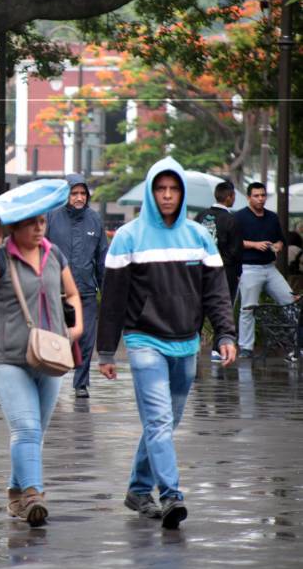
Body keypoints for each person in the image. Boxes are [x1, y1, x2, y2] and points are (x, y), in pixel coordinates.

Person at [97, 157, 237, 530]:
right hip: (144, 340)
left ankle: (139, 489)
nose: (167, 195)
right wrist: (106, 350)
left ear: (182, 193)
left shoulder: (199, 237)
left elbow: (217, 293)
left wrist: (225, 333)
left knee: (167, 421)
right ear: (151, 192)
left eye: (174, 189)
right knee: (159, 419)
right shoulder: (128, 237)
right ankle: (171, 494)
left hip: (186, 342)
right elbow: (112, 298)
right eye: (161, 189)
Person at [0, 210, 83, 527]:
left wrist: (77, 327)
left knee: (34, 434)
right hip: (10, 359)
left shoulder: (53, 253)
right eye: (31, 222)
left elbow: (72, 293)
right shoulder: (2, 259)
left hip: (51, 356)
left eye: (42, 221)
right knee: (27, 430)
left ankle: (16, 494)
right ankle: (34, 496)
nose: (38, 228)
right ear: (14, 226)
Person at [46, 173, 107, 399]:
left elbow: (102, 257)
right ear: (66, 195)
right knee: (56, 337)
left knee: (87, 338)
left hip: (87, 291)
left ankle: (81, 383)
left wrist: (106, 290)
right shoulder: (51, 217)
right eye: (74, 193)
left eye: (83, 193)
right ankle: (50, 380)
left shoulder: (94, 219)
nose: (79, 197)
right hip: (56, 291)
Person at [234, 182, 295, 358]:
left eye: (263, 195)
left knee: (291, 302)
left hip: (270, 268)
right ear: (248, 197)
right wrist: (254, 244)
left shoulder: (272, 217)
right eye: (256, 196)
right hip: (249, 268)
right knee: (248, 308)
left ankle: (297, 344)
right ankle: (246, 347)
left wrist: (277, 246)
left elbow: (281, 240)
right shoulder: (239, 217)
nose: (260, 199)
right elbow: (234, 241)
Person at [194, 181, 244, 361]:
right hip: (225, 272)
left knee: (197, 307)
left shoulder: (200, 216)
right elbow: (236, 250)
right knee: (222, 307)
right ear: (229, 197)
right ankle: (218, 348)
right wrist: (236, 270)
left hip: (198, 269)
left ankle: (193, 345)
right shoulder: (232, 220)